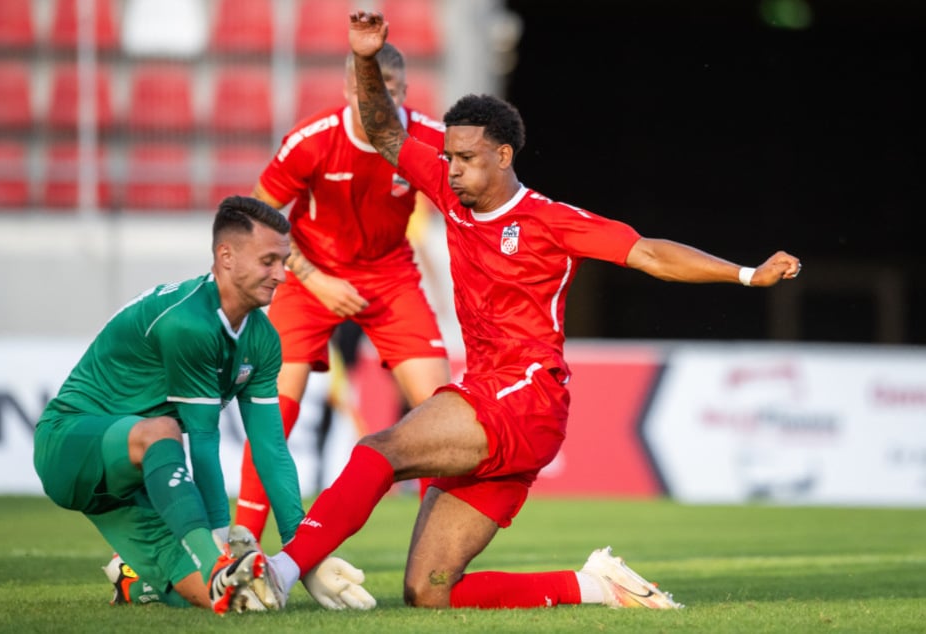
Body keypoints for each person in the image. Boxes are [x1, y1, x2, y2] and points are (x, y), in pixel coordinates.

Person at [234, 10, 803, 611]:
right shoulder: (448, 190)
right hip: (491, 399)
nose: (450, 169)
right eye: (448, 157)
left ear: (504, 156)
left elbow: (650, 254)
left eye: (466, 159)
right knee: (430, 592)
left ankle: (279, 569)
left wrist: (745, 273)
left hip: (526, 395)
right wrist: (367, 59)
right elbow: (383, 130)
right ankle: (595, 586)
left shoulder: (548, 220)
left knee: (380, 449)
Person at [33, 196, 353, 613]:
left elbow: (271, 449)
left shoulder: (262, 337)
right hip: (70, 445)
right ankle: (211, 559)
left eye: (284, 261)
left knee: (248, 601)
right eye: (268, 261)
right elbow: (201, 443)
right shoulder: (191, 323)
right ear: (226, 257)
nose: (282, 276)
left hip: (132, 482)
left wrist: (302, 556)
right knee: (164, 431)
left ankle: (134, 580)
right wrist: (219, 545)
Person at [234, 41, 452, 541]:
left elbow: (475, 197)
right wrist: (314, 279)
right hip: (312, 277)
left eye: (388, 91)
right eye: (365, 90)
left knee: (439, 413)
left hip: (391, 275)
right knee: (274, 411)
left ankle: (435, 560)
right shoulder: (311, 141)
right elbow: (253, 217)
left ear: (404, 92)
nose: (376, 101)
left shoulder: (429, 138)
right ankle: (241, 547)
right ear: (346, 90)